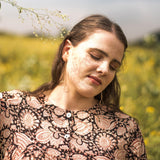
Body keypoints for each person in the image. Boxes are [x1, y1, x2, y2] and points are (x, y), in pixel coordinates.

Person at [0, 14, 147, 159]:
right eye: (95, 56)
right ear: (67, 50)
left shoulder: (125, 129)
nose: (104, 69)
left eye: (113, 66)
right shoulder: (9, 108)